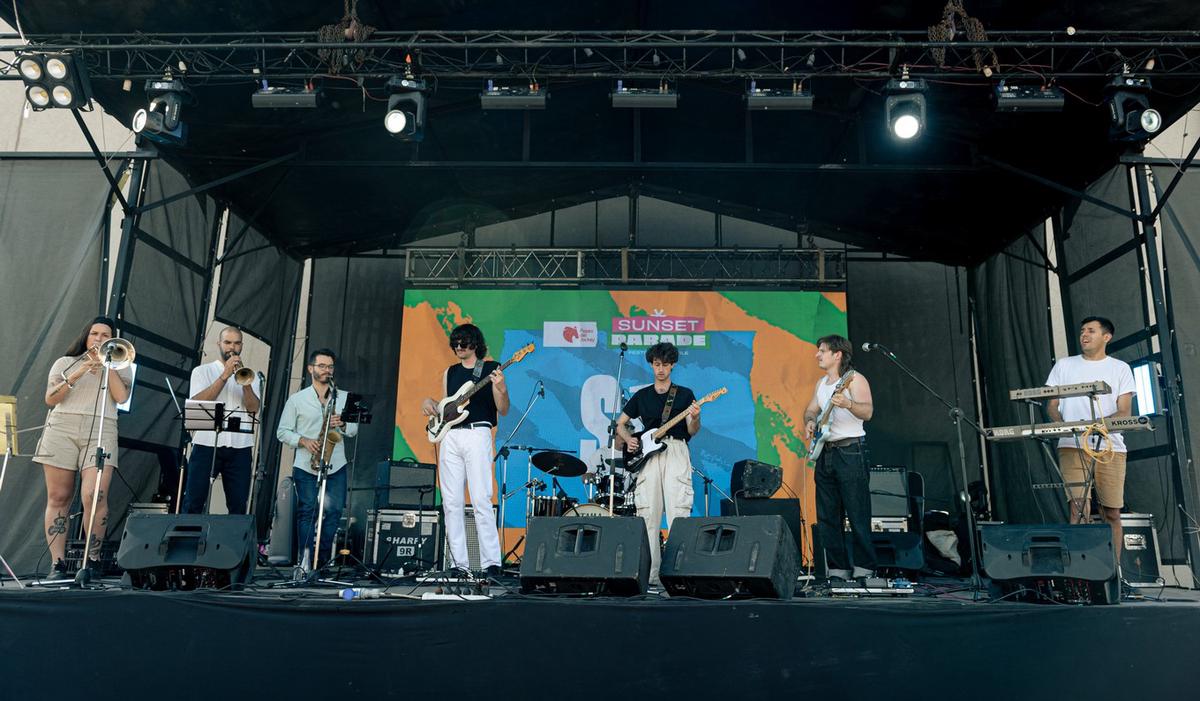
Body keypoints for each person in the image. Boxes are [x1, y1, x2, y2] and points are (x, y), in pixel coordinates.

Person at [34, 317, 132, 580]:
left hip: (102, 427)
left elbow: (121, 398)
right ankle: (58, 564)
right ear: (86, 337)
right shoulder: (65, 363)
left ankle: (92, 560)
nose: (99, 339)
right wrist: (81, 369)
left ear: (113, 341)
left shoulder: (123, 364)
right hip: (62, 428)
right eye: (94, 334)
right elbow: (50, 398)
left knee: (95, 495)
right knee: (58, 497)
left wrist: (107, 365)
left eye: (105, 336)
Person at [421, 324, 508, 578]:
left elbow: (503, 409)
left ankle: (492, 562)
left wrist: (500, 388)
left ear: (475, 344)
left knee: (481, 499)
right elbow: (448, 408)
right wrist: (430, 404)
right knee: (451, 503)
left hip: (477, 433)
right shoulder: (450, 372)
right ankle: (459, 564)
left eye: (465, 342)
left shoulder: (492, 368)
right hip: (450, 437)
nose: (459, 347)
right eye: (456, 343)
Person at [1046, 316, 1136, 556]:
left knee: (1112, 512)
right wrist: (1063, 426)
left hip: (1111, 446)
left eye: (1091, 331)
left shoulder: (1120, 368)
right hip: (1071, 444)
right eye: (1082, 330)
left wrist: (1096, 427)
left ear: (1106, 337)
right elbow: (1052, 405)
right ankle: (1080, 573)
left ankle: (1113, 573)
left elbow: (1125, 411)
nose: (1084, 334)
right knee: (1078, 509)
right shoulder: (1064, 365)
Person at [615, 341, 701, 587]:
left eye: (665, 364)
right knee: (648, 515)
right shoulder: (642, 395)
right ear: (652, 365)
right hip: (648, 455)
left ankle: (678, 574)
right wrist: (630, 439)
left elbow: (692, 430)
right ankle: (652, 576)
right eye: (656, 364)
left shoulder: (684, 394)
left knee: (678, 513)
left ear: (672, 365)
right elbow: (620, 423)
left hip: (675, 449)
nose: (660, 369)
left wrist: (695, 416)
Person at [803, 334, 876, 583]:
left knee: (857, 513)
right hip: (826, 453)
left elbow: (867, 411)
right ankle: (838, 570)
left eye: (822, 350)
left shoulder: (854, 379)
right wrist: (810, 421)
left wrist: (847, 403)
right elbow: (811, 408)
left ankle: (865, 569)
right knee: (827, 515)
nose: (817, 354)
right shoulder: (821, 383)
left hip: (850, 451)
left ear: (837, 354)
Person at [276, 348, 358, 569]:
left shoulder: (344, 397)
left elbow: (353, 431)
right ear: (310, 368)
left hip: (336, 463)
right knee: (307, 511)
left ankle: (321, 562)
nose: (327, 370)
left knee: (333, 512)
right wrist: (304, 441)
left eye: (330, 366)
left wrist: (343, 423)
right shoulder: (297, 399)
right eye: (322, 366)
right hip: (306, 464)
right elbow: (282, 432)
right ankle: (304, 562)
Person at [182, 327, 261, 514]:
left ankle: (231, 544)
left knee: (238, 506)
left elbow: (253, 408)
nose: (232, 347)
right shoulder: (202, 371)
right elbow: (199, 402)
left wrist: (246, 384)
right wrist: (224, 376)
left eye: (236, 343)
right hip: (206, 444)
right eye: (227, 342)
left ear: (241, 345)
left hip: (240, 447)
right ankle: (187, 542)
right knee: (194, 501)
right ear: (219, 344)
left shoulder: (252, 375)